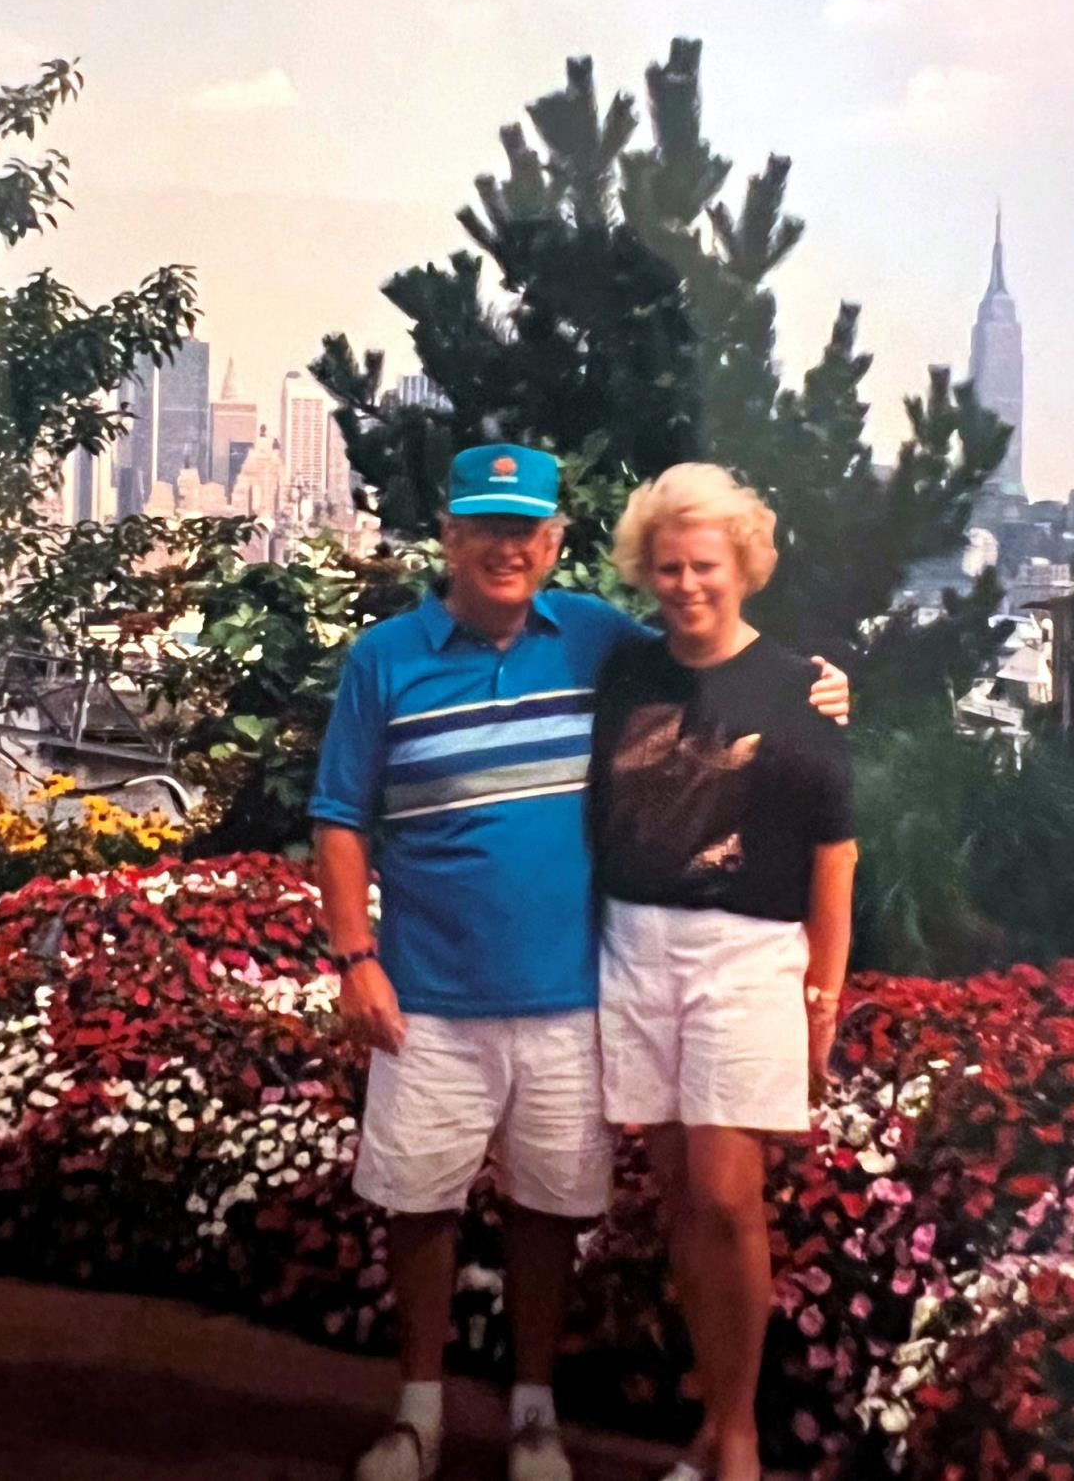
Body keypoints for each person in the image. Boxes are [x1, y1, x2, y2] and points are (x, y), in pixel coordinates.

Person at [309, 444, 848, 1481]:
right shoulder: (384, 658)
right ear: (449, 538)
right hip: (426, 994)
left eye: (526, 530)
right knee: (419, 1203)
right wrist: (354, 957)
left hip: (571, 996)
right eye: (485, 528)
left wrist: (816, 687)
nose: (506, 548)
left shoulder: (600, 640)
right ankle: (417, 1413)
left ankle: (532, 1413)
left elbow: (714, 649)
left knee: (549, 1210)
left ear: (555, 542)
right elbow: (339, 816)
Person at [588, 463, 858, 1481]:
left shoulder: (798, 687)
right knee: (679, 1201)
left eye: (704, 564)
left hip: (746, 957)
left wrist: (823, 997)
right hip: (634, 948)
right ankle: (709, 1423)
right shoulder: (624, 673)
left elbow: (835, 853)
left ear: (742, 564)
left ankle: (738, 1432)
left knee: (726, 1192)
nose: (686, 583)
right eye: (667, 567)